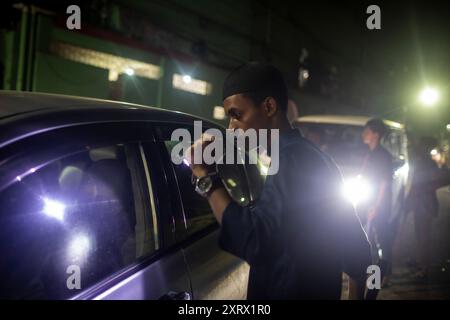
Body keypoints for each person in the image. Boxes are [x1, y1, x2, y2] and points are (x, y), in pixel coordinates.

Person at [187, 62, 371, 299]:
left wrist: (205, 177)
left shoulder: (290, 162)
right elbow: (357, 252)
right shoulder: (316, 158)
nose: (231, 128)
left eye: (236, 115)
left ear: (269, 106)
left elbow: (253, 239)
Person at [359, 118, 393, 296]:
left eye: (367, 131)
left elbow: (383, 184)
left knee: (380, 246)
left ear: (376, 134)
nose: (364, 134)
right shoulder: (370, 154)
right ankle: (375, 278)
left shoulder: (382, 155)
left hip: (377, 206)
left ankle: (378, 282)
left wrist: (376, 206)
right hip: (368, 203)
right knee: (369, 244)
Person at [406, 137, 441, 279]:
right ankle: (422, 265)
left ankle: (424, 268)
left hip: (425, 205)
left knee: (423, 237)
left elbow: (430, 183)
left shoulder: (426, 163)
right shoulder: (426, 163)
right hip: (424, 203)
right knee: (421, 237)